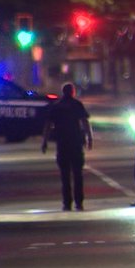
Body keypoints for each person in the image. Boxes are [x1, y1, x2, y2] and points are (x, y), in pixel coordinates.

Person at [41, 83, 93, 211]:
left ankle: (66, 203)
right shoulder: (77, 105)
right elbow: (85, 122)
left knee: (65, 175)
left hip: (62, 143)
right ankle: (79, 202)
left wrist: (45, 141)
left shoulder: (56, 107)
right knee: (78, 174)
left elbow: (48, 125)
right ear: (72, 92)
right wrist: (89, 138)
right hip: (75, 143)